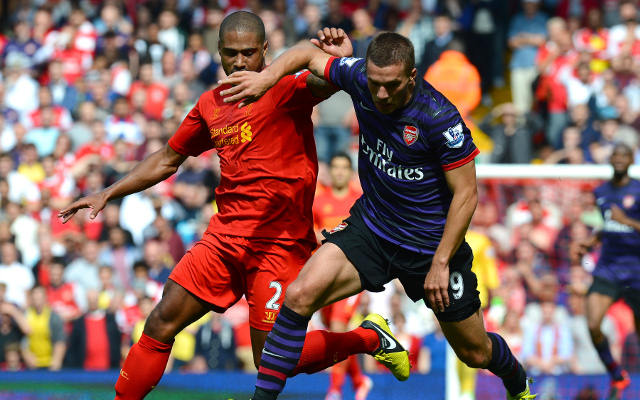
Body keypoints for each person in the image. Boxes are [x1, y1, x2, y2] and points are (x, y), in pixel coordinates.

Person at [59, 12, 397, 400]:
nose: (240, 62)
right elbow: (168, 159)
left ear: (265, 51)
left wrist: (338, 63)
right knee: (161, 319)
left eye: (249, 53)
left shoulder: (286, 88)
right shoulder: (211, 104)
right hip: (224, 239)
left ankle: (368, 338)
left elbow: (320, 76)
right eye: (231, 53)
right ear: (218, 52)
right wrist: (108, 192)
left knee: (271, 358)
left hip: (278, 244)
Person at [220, 28, 536, 400]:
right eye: (375, 84)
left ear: (412, 78)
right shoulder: (360, 78)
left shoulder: (440, 118)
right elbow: (307, 55)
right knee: (299, 295)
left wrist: (441, 262)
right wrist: (267, 77)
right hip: (372, 228)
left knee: (474, 352)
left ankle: (518, 383)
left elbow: (466, 195)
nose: (381, 94)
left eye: (391, 85)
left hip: (430, 248)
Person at [572, 143, 640, 400]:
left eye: (625, 154)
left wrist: (629, 221)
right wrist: (591, 241)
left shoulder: (639, 189)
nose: (620, 158)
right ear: (610, 159)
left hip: (637, 271)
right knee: (592, 323)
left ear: (632, 159)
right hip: (609, 269)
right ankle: (616, 375)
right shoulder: (601, 192)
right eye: (616, 155)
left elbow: (623, 222)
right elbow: (609, 227)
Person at [312, 153, 371, 400]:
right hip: (324, 276)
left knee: (337, 327)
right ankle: (359, 381)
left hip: (351, 275)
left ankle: (334, 390)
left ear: (350, 172)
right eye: (335, 167)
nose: (339, 172)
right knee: (336, 334)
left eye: (344, 168)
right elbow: (311, 233)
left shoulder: (360, 200)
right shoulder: (318, 202)